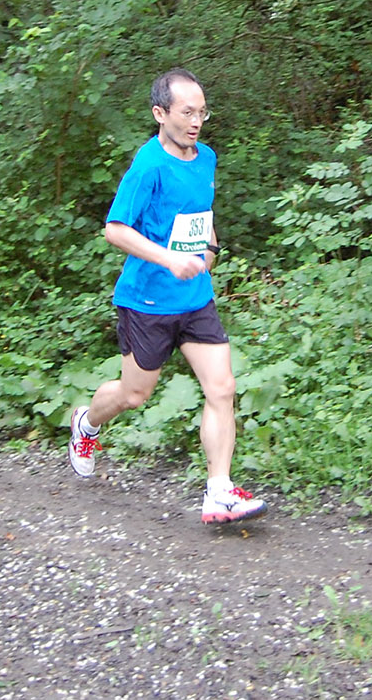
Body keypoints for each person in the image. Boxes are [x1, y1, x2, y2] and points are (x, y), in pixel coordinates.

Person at [67, 68, 267, 525]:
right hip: (148, 301)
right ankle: (87, 423)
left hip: (195, 298)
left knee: (222, 388)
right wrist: (168, 260)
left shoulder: (207, 158)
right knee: (134, 395)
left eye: (202, 112)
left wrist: (210, 248)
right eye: (186, 112)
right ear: (161, 113)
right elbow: (115, 230)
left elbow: (201, 215)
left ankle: (218, 491)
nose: (196, 121)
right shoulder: (148, 166)